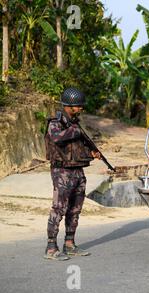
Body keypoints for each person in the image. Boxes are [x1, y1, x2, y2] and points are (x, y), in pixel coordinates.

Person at [44, 88, 101, 261]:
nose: (81, 108)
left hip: (77, 170)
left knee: (75, 209)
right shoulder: (56, 122)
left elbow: (76, 148)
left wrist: (90, 153)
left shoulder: (75, 123)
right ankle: (51, 247)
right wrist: (74, 131)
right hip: (62, 171)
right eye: (79, 105)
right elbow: (56, 138)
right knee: (59, 208)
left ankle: (69, 244)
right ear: (70, 106)